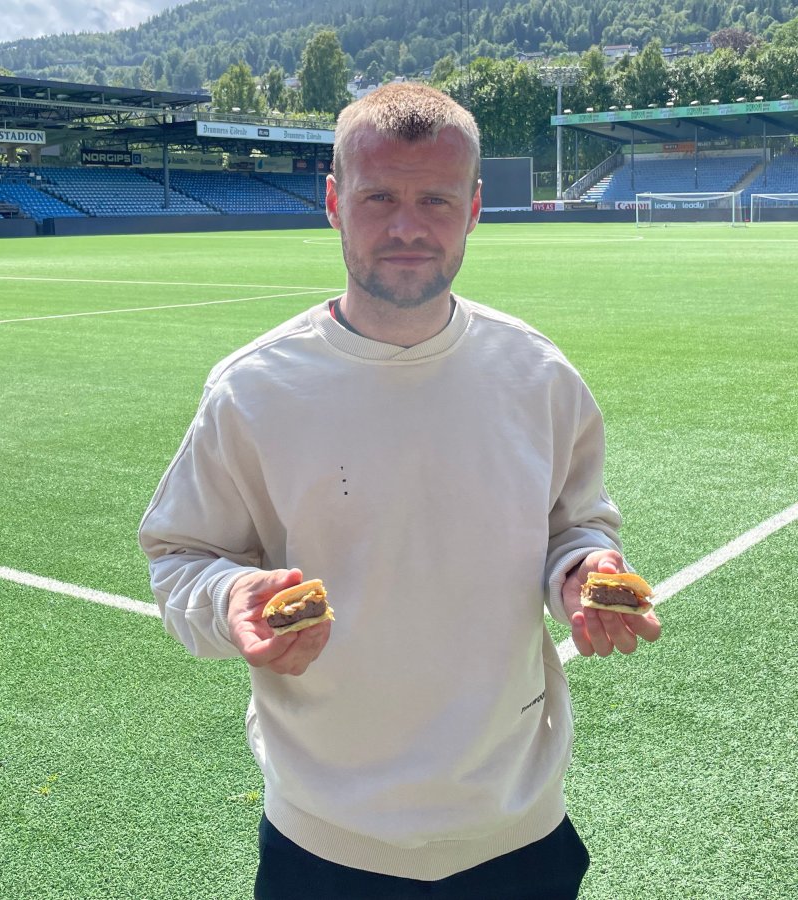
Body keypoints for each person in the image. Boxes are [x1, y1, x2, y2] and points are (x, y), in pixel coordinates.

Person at [138, 82, 660, 899]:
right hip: (325, 838)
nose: (408, 227)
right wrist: (228, 598)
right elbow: (179, 557)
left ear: (474, 208)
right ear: (334, 203)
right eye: (379, 197)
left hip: (516, 826)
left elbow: (578, 525)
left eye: (436, 200)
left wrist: (582, 572)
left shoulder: (539, 375)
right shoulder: (252, 390)